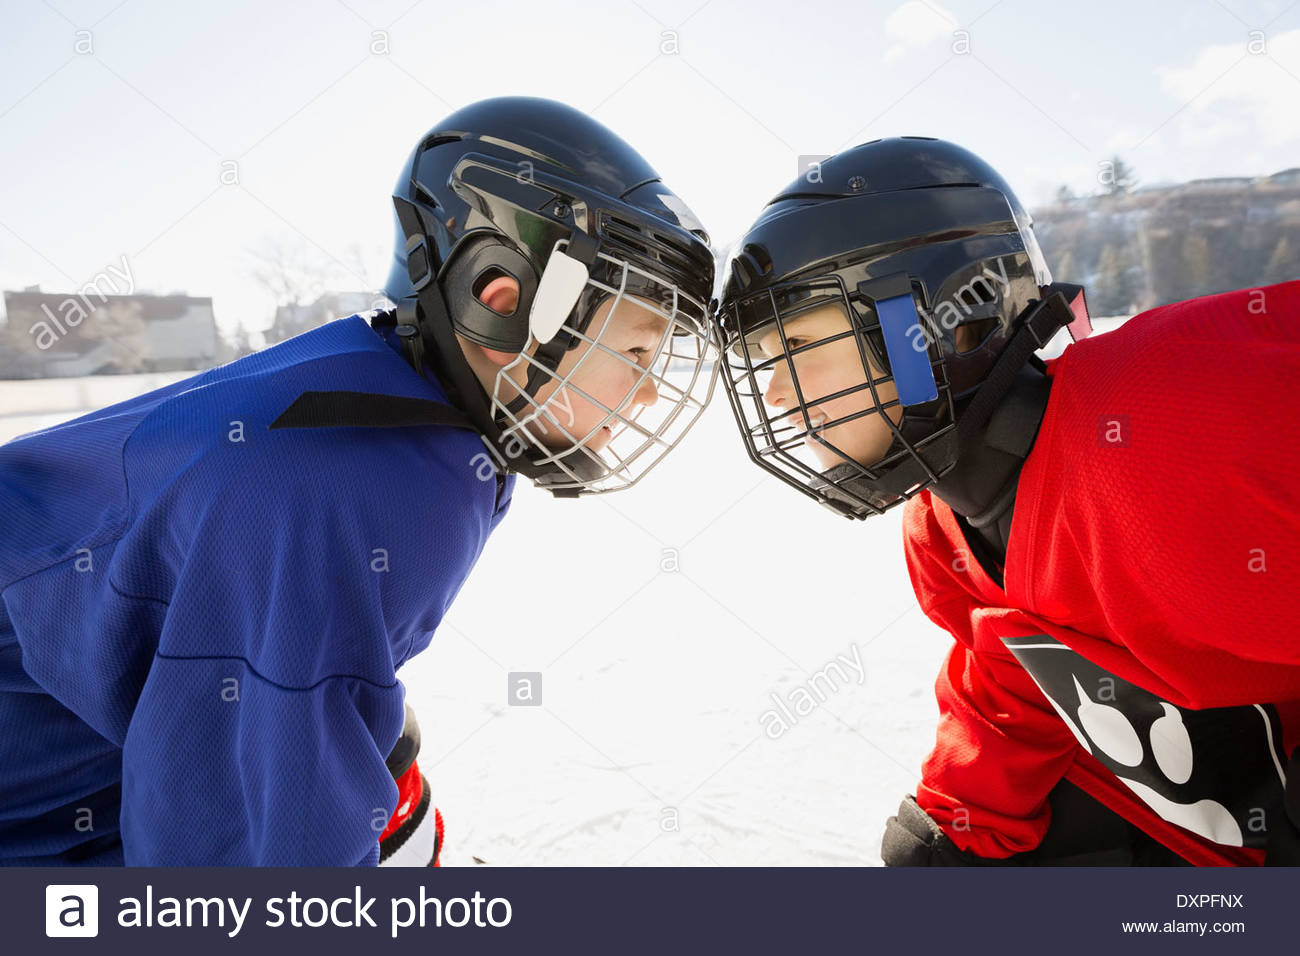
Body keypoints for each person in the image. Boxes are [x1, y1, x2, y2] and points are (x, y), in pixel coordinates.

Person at [0, 96, 717, 865]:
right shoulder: (360, 489)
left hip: (71, 758)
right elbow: (228, 860)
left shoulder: (390, 398)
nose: (648, 390)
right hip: (35, 820)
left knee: (384, 781)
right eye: (639, 352)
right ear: (497, 299)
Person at [713, 136, 1300, 866]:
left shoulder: (1165, 431)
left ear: (926, 328)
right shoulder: (939, 525)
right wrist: (957, 822)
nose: (778, 395)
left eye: (795, 348)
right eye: (767, 362)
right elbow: (1020, 672)